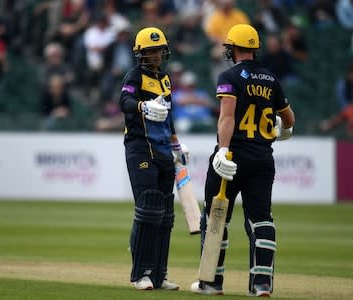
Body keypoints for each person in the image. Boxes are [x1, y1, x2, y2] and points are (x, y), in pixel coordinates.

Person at [190, 24, 295, 297]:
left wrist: (223, 150)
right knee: (261, 220)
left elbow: (227, 116)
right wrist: (282, 132)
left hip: (232, 158)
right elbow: (289, 119)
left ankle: (211, 283)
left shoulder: (229, 76)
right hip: (262, 159)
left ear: (232, 48)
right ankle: (261, 284)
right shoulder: (272, 79)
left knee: (215, 218)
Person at [119, 26, 189, 291]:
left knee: (165, 215)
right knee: (148, 208)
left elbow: (169, 119)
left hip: (162, 150)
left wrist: (176, 145)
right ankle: (141, 274)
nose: (156, 56)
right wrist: (142, 106)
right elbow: (123, 101)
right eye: (150, 51)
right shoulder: (134, 75)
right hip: (139, 148)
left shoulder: (166, 79)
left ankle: (159, 274)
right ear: (141, 53)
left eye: (159, 50)